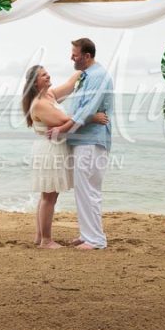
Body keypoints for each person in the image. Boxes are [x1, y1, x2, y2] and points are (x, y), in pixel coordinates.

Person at [22, 64, 108, 249]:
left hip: (54, 148)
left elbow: (70, 84)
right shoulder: (40, 103)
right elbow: (65, 122)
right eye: (43, 75)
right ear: (35, 83)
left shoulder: (50, 95)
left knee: (47, 194)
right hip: (50, 151)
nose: (47, 76)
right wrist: (92, 117)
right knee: (49, 197)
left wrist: (86, 67)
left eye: (47, 72)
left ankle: (39, 237)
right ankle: (46, 240)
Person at [47, 38, 113, 250]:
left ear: (87, 56)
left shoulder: (98, 76)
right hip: (83, 140)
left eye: (75, 54)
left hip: (91, 140)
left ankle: (96, 240)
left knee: (89, 190)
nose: (71, 57)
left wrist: (61, 129)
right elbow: (80, 108)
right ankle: (87, 235)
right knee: (83, 190)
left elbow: (86, 110)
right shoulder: (86, 76)